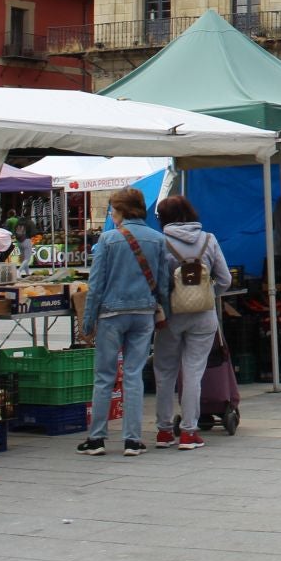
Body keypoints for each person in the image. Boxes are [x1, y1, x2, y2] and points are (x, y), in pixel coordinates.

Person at [78, 188, 170, 458]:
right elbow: (163, 282)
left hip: (111, 314)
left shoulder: (107, 240)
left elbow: (95, 285)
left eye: (112, 210)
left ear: (120, 210)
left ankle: (97, 438)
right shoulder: (158, 239)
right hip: (144, 313)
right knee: (133, 375)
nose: (110, 214)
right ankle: (132, 439)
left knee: (104, 376)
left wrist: (87, 320)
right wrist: (164, 310)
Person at [152, 195, 230, 450]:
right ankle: (189, 432)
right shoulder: (209, 239)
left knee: (165, 373)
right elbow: (225, 279)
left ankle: (164, 431)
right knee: (194, 372)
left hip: (170, 316)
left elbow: (156, 282)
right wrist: (207, 296)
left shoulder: (160, 243)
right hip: (204, 317)